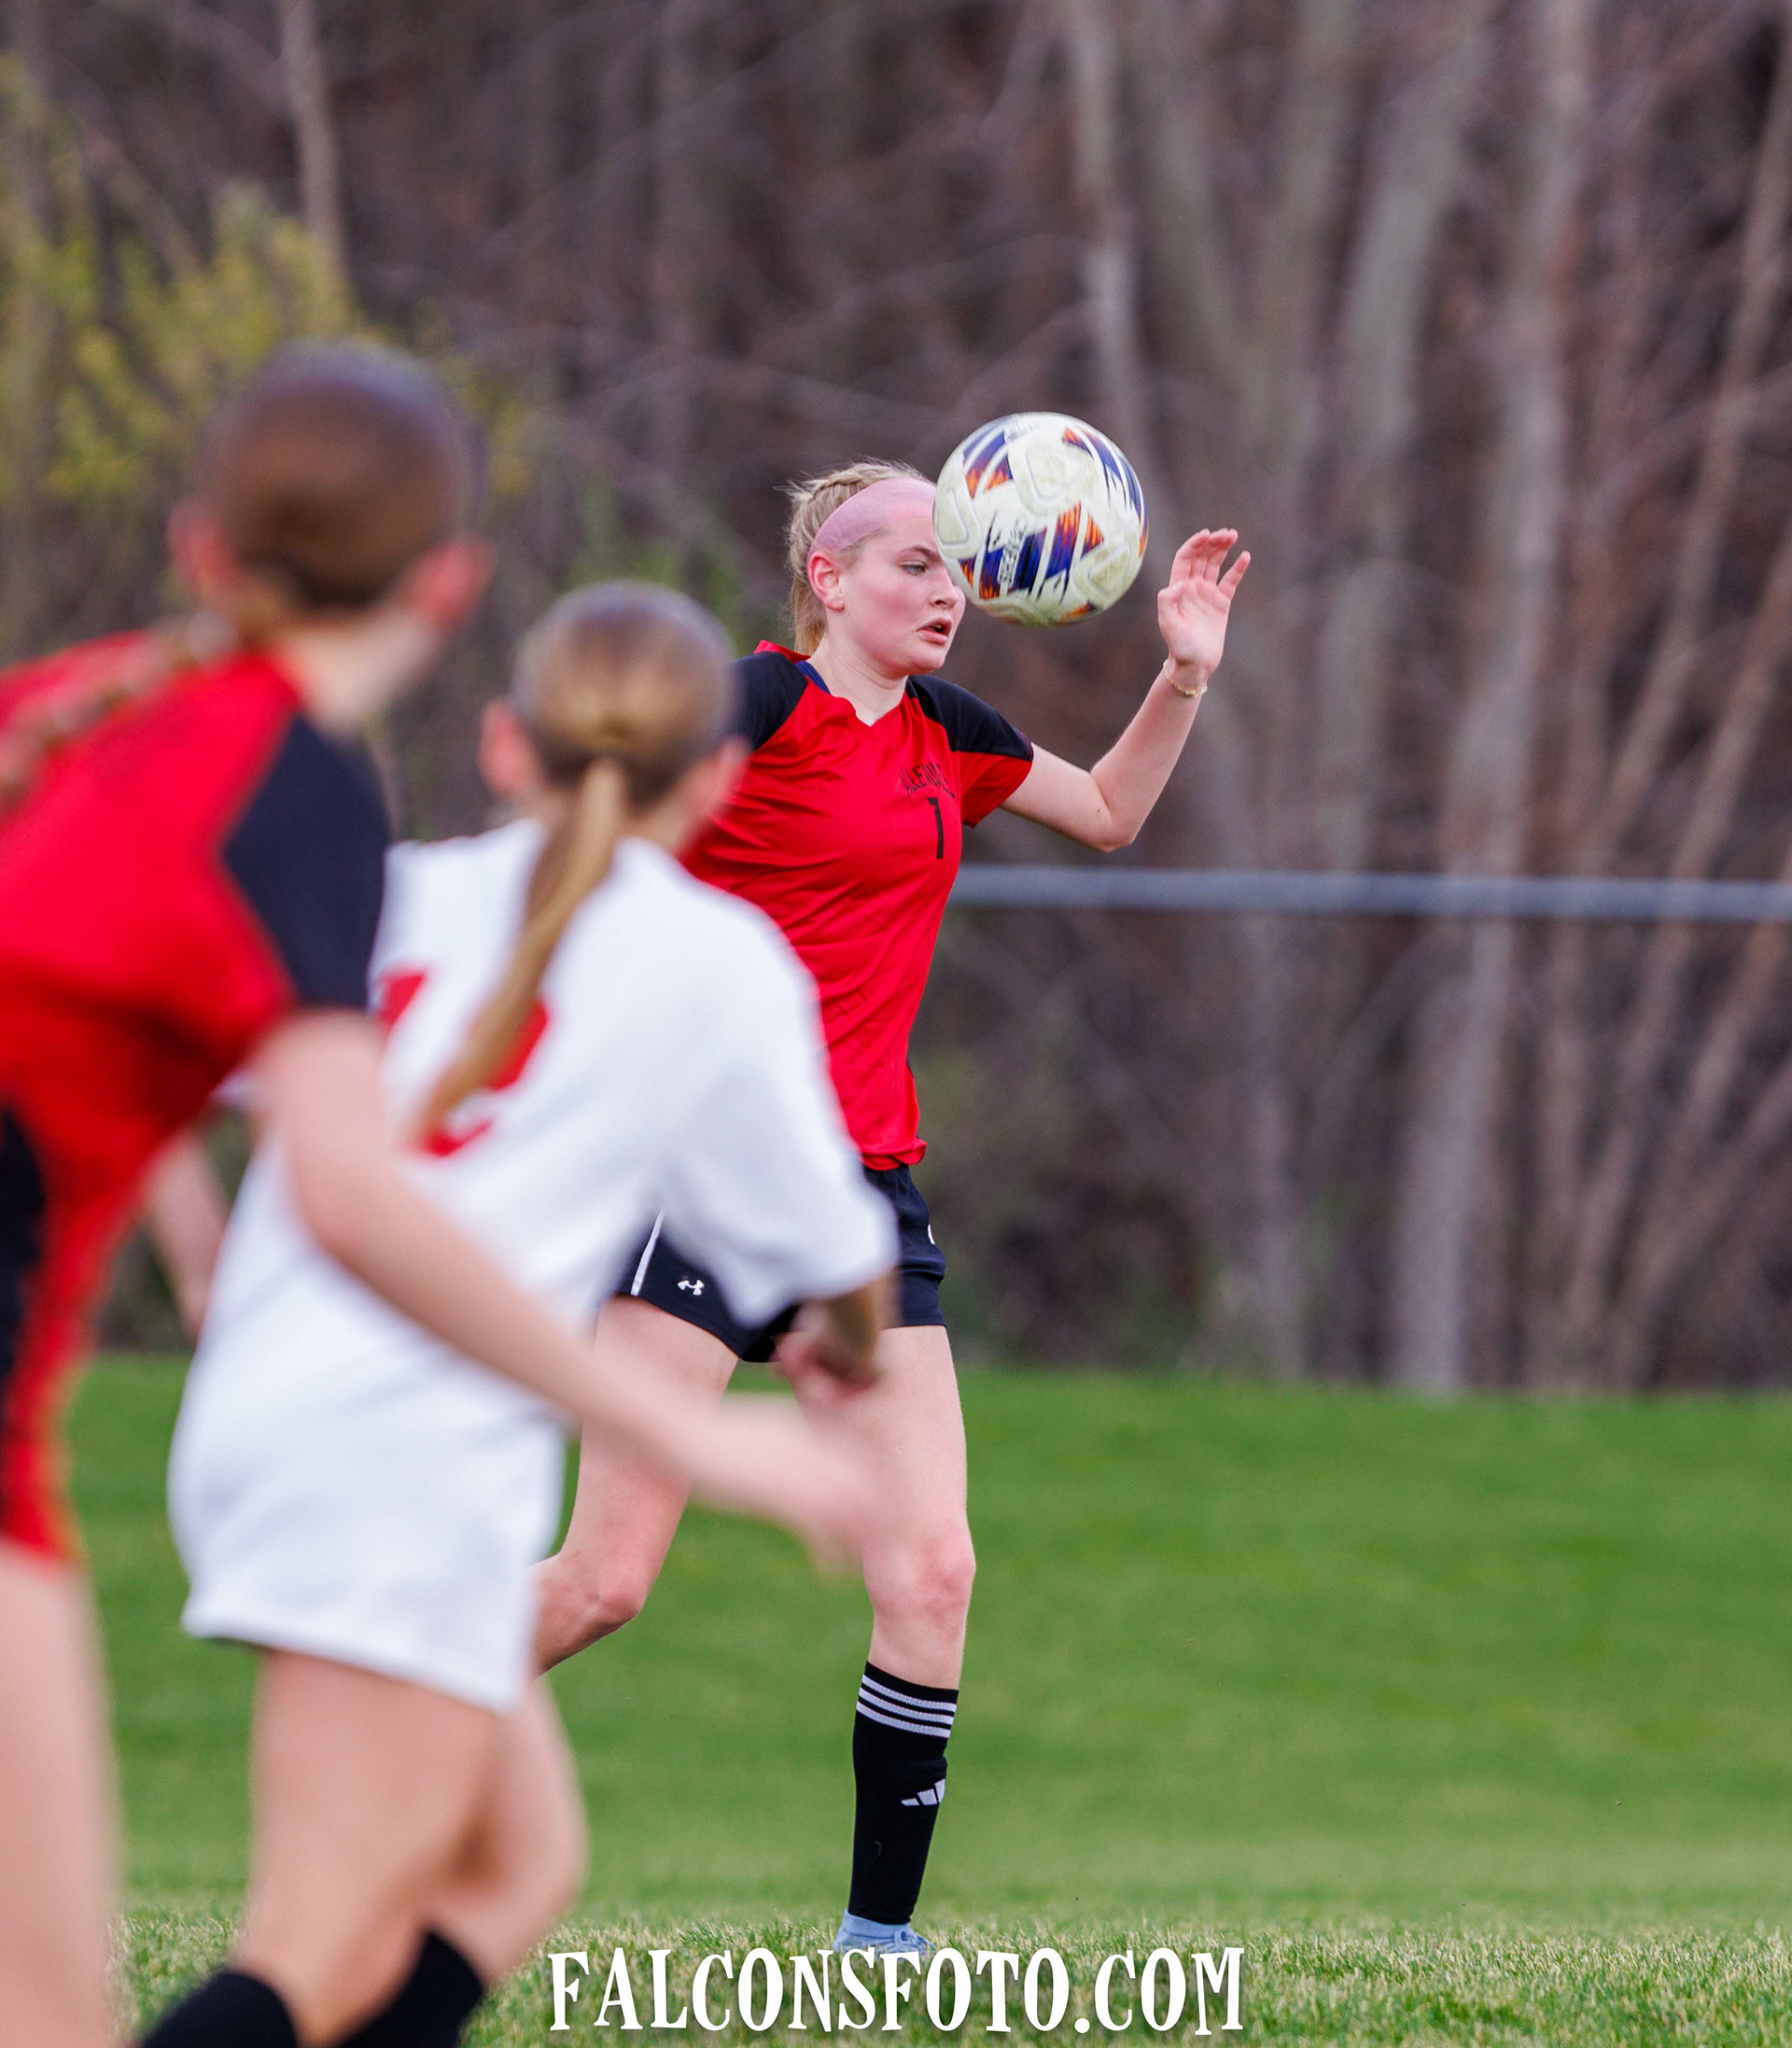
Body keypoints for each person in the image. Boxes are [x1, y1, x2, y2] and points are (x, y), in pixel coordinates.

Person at [0, 350, 872, 2048]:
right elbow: (349, 1193)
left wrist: (194, 1246)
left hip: (263, 1443)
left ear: (197, 545)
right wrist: (695, 1440)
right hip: (335, 1460)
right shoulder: (299, 782)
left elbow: (91, 1020)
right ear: (451, 583)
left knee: (513, 1860)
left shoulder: (82, 705)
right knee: (169, 1990)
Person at [531, 459, 1250, 1953]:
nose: (946, 593)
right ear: (830, 580)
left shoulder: (946, 733)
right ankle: (372, 1703)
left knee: (933, 1569)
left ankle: (877, 1948)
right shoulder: (758, 704)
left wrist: (1183, 672)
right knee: (605, 1583)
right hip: (699, 1178)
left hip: (862, 1196)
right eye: (915, 564)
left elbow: (1109, 809)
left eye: (958, 570)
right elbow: (592, 821)